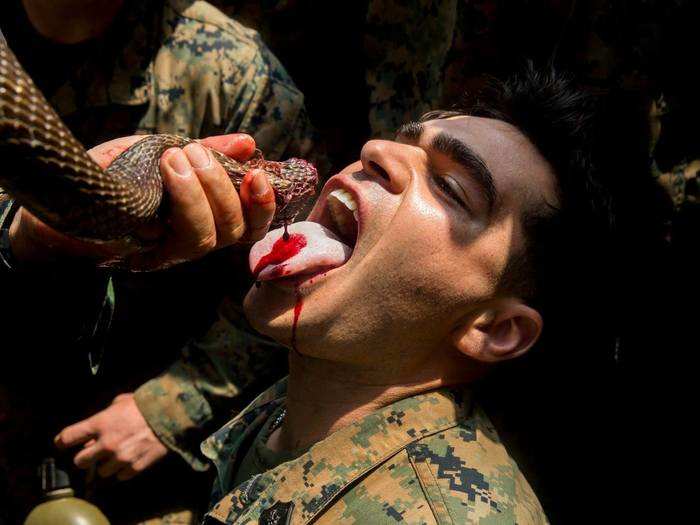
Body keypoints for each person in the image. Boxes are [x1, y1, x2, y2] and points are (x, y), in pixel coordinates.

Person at [0, 0, 317, 522]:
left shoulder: (237, 75)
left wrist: (169, 408)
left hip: (130, 438)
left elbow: (289, 287)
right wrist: (26, 232)